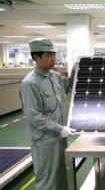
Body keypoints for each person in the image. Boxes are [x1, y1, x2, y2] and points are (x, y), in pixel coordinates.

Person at [19, 38, 76, 190]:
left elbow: (69, 86)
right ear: (36, 57)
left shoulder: (54, 76)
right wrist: (59, 128)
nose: (53, 59)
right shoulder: (30, 83)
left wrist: (77, 70)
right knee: (48, 182)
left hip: (60, 138)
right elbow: (34, 116)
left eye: (53, 54)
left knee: (62, 177)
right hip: (45, 141)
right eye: (48, 55)